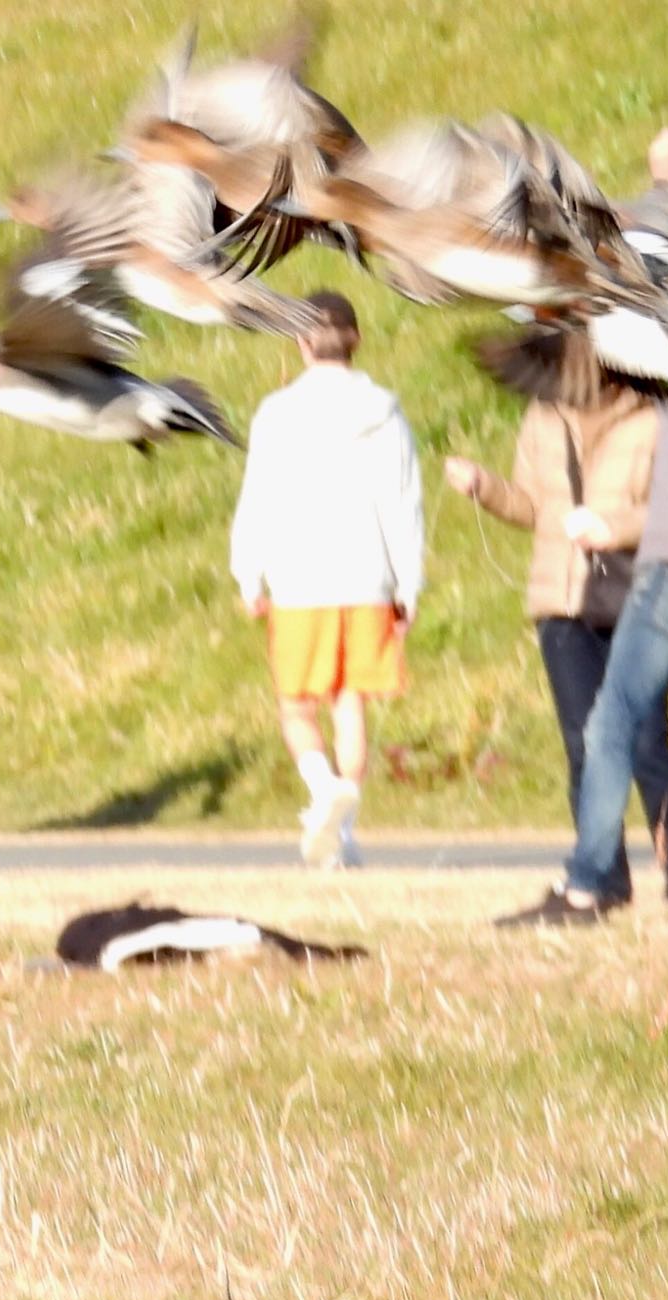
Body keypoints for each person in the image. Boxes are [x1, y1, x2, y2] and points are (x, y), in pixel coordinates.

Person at [447, 383, 668, 909]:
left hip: (633, 590)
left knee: (647, 742)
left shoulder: (657, 407)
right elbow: (531, 505)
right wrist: (484, 486)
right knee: (582, 743)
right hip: (560, 600)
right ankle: (603, 878)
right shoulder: (543, 413)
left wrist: (614, 527)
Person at [229, 291, 423, 868]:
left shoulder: (277, 412)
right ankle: (345, 832)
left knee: (296, 705)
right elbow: (403, 502)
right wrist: (407, 583)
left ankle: (322, 793)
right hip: (366, 576)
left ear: (301, 342)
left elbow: (258, 497)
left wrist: (249, 574)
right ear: (356, 341)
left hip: (299, 575)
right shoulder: (385, 412)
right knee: (349, 703)